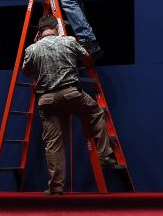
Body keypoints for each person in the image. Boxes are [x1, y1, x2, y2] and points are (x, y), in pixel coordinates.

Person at [22, 15, 116, 195]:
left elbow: (26, 72)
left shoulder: (32, 49)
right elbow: (87, 59)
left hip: (47, 101)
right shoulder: (69, 42)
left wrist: (35, 45)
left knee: (53, 144)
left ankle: (56, 188)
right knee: (95, 112)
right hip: (71, 95)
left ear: (39, 32)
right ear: (56, 27)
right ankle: (105, 155)